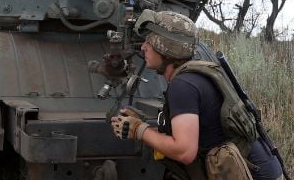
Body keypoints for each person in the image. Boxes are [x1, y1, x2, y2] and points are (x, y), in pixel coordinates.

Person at [110, 9, 283, 180]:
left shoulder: (183, 86)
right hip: (258, 169)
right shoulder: (194, 76)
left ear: (166, 47)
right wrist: (138, 126)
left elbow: (184, 151)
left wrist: (140, 130)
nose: (143, 47)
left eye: (150, 41)